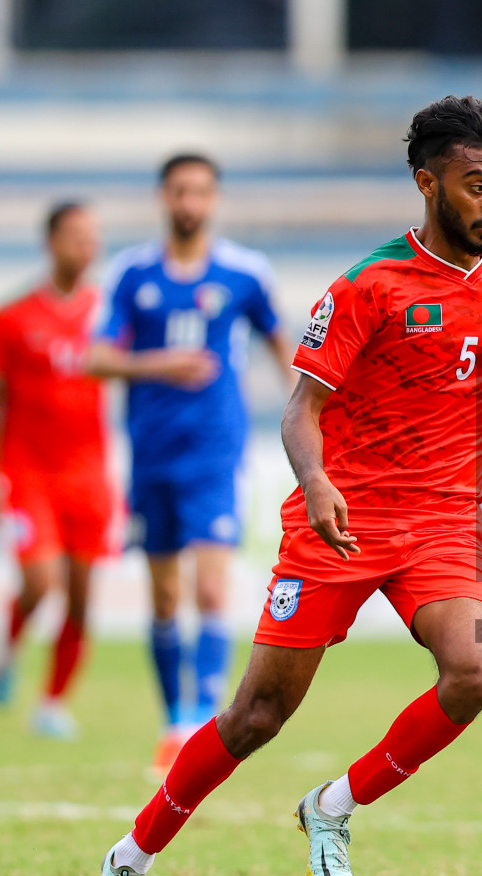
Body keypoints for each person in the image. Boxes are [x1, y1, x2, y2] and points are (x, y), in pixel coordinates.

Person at [91, 95, 482, 876]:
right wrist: (318, 482)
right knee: (256, 716)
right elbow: (301, 409)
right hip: (343, 518)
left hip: (442, 524)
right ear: (426, 182)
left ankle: (335, 804)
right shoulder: (367, 286)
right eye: (475, 186)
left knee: (478, 672)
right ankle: (131, 859)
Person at [0, 201, 212, 739]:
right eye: (75, 236)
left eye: (93, 238)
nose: (86, 247)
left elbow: (132, 374)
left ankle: (53, 702)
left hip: (89, 473)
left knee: (82, 596)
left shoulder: (108, 314)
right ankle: (9, 645)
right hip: (28, 470)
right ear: (51, 242)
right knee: (41, 581)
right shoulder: (12, 317)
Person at [94, 153, 294, 774]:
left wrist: (313, 413)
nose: (190, 203)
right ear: (163, 197)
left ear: (214, 199)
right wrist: (161, 364)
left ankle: (203, 719)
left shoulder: (244, 273)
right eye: (180, 191)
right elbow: (96, 359)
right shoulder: (131, 274)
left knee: (210, 588)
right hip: (152, 456)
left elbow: (283, 348)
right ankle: (172, 717)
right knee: (161, 598)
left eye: (201, 192)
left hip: (215, 454)